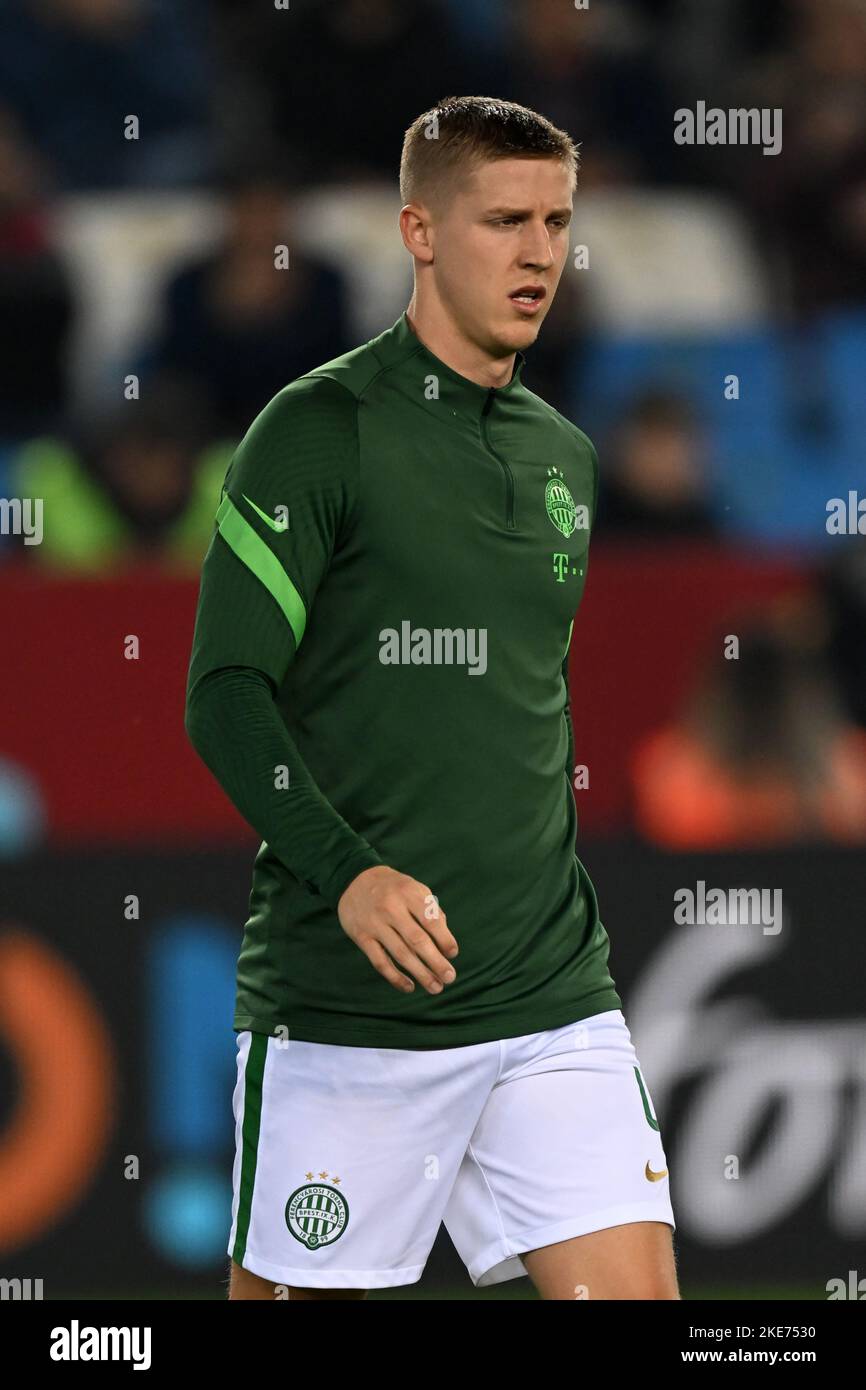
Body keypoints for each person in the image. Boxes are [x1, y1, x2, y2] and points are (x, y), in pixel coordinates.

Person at [185, 95, 678, 1302]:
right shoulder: (316, 430)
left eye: (556, 220)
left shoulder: (563, 455)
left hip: (549, 995)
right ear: (416, 228)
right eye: (502, 220)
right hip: (350, 1017)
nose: (537, 253)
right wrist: (347, 870)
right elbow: (224, 693)